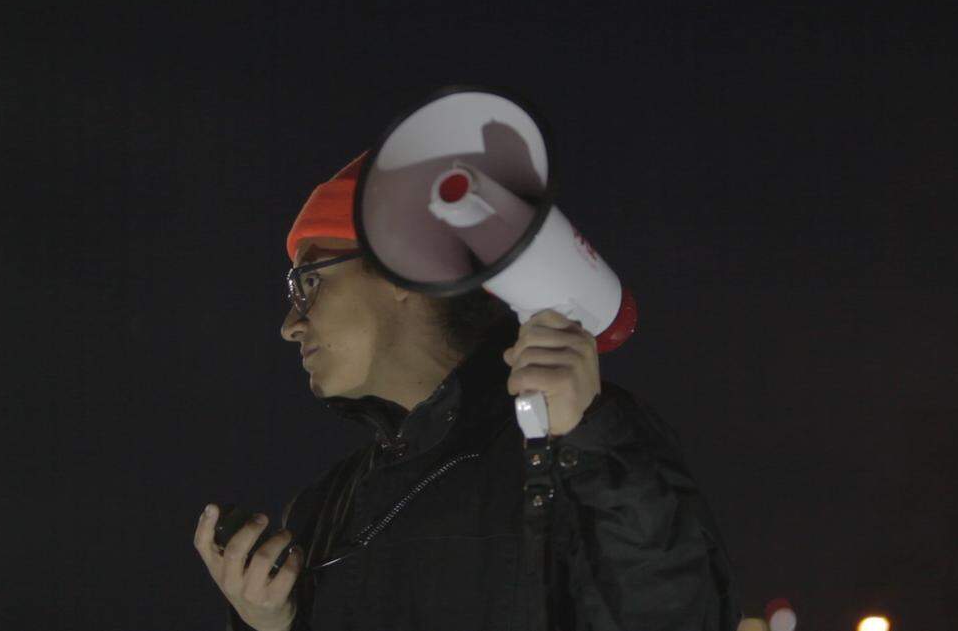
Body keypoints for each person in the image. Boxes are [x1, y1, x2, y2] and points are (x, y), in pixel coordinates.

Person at [194, 153, 740, 630]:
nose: (291, 322)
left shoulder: (580, 437)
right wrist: (270, 624)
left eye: (309, 281)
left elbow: (682, 614)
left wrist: (596, 444)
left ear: (402, 267)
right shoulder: (323, 507)